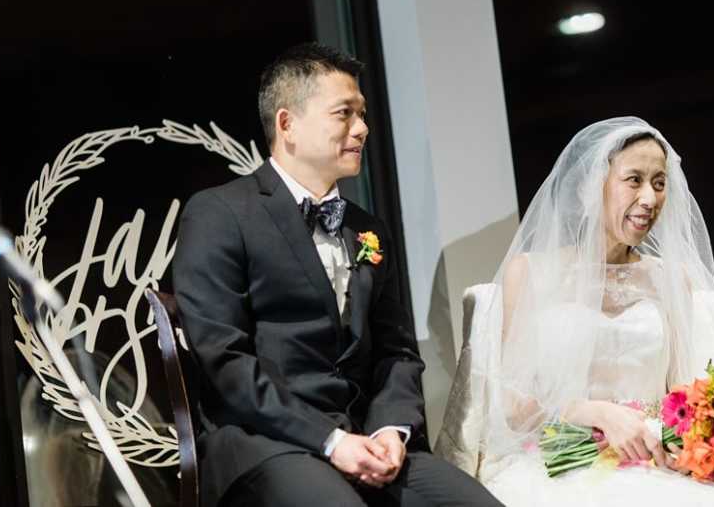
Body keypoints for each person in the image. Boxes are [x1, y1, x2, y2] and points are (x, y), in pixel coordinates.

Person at [173, 43, 502, 507]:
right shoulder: (220, 213)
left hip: (365, 439)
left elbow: (397, 351)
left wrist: (391, 429)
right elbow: (223, 360)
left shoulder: (367, 228)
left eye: (363, 114)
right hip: (266, 445)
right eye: (344, 114)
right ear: (287, 123)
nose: (362, 129)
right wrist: (331, 441)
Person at [436, 117, 714, 506]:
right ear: (593, 186)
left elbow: (681, 390)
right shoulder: (530, 273)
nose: (649, 198)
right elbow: (510, 403)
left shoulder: (670, 278)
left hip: (650, 461)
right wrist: (592, 412)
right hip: (557, 462)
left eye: (659, 183)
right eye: (634, 180)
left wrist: (688, 438)